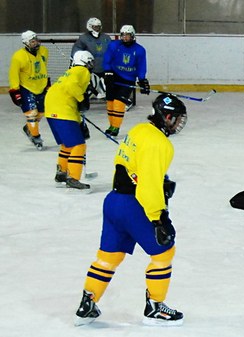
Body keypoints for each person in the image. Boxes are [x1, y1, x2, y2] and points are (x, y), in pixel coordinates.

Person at [74, 93, 185, 327]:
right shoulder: (160, 143)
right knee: (164, 253)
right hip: (135, 206)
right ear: (166, 117)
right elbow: (149, 185)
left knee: (109, 257)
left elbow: (125, 164)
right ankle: (155, 307)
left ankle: (88, 300)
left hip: (113, 202)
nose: (178, 124)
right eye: (176, 118)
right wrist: (159, 218)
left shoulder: (139, 130)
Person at [45, 51, 94, 191]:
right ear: (86, 61)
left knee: (68, 144)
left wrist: (79, 123)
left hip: (52, 109)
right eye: (90, 62)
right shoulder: (82, 71)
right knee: (79, 145)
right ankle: (73, 178)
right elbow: (72, 86)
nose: (91, 65)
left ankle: (61, 173)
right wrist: (82, 99)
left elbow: (67, 91)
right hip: (63, 110)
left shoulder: (71, 71)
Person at [103, 24, 150, 137]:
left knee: (119, 103)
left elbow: (141, 66)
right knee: (110, 102)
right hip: (114, 76)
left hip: (128, 80)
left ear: (132, 36)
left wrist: (142, 79)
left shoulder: (139, 50)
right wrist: (108, 72)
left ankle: (116, 127)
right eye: (123, 35)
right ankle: (111, 125)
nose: (125, 38)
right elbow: (107, 59)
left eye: (127, 35)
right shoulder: (114, 45)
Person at [8, 30, 50, 151]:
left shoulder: (44, 51)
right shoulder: (18, 57)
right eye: (32, 41)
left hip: (40, 86)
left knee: (42, 112)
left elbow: (43, 68)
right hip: (26, 88)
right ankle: (35, 136)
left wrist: (47, 83)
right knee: (32, 113)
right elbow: (13, 74)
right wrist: (15, 92)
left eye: (36, 40)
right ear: (26, 43)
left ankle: (28, 128)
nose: (36, 43)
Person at [71, 17, 112, 99]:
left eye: (99, 27)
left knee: (108, 88)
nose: (97, 29)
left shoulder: (106, 38)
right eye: (95, 27)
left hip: (104, 69)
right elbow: (76, 52)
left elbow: (111, 51)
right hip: (90, 70)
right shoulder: (83, 38)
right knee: (88, 89)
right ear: (89, 26)